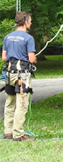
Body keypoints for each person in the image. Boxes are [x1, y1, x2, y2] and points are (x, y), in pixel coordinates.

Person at [2, 11, 37, 141]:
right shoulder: (28, 38)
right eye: (30, 20)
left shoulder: (7, 37)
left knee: (9, 103)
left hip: (9, 74)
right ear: (26, 21)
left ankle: (8, 131)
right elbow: (31, 59)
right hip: (22, 76)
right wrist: (34, 59)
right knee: (22, 104)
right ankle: (18, 134)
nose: (31, 23)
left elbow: (4, 57)